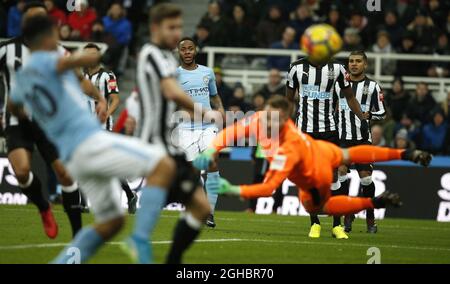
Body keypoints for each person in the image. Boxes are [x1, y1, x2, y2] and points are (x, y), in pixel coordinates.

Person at [9, 14, 174, 265]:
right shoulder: (49, 59)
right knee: (164, 164)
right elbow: (65, 64)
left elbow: (14, 105)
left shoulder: (21, 79)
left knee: (112, 221)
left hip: (72, 156)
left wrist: (98, 98)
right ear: (49, 35)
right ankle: (140, 238)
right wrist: (83, 57)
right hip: (89, 143)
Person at [193, 96, 432, 223]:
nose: (268, 122)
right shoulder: (260, 119)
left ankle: (373, 203)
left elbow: (268, 188)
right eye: (267, 116)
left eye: (275, 120)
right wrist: (210, 149)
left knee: (318, 206)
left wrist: (232, 189)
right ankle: (406, 155)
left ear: (286, 120)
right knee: (348, 154)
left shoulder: (289, 147)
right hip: (321, 148)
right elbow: (229, 132)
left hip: (313, 173)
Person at [128, 3, 212, 264]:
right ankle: (140, 237)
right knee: (167, 180)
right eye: (171, 27)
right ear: (155, 28)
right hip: (155, 140)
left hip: (169, 140)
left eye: (179, 27)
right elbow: (171, 92)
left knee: (200, 207)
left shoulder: (165, 58)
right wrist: (204, 112)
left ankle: (171, 259)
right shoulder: (152, 53)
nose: (177, 33)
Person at [0, 1, 85, 239]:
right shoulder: (7, 50)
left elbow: (79, 78)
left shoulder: (56, 50)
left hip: (49, 122)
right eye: (32, 18)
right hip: (17, 120)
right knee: (21, 172)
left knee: (66, 175)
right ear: (24, 22)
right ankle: (44, 207)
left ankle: (78, 234)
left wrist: (99, 98)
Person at [286, 50, 370, 239]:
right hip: (304, 131)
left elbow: (349, 97)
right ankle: (314, 223)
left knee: (334, 176)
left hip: (330, 130)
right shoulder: (296, 68)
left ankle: (336, 225)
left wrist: (362, 119)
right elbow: (288, 100)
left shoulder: (338, 68)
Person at [175, 37, 225, 227]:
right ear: (179, 53)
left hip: (207, 126)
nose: (187, 52)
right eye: (183, 50)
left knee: (212, 162)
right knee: (194, 172)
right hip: (185, 128)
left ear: (195, 51)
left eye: (190, 49)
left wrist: (220, 108)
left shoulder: (207, 72)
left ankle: (210, 213)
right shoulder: (174, 75)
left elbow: (214, 96)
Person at [82, 43, 138, 214]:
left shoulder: (108, 75)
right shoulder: (79, 76)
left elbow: (115, 99)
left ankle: (129, 194)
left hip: (101, 125)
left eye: (93, 53)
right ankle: (83, 203)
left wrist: (106, 113)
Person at [335, 51, 386, 234]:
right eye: (351, 61)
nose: (354, 64)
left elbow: (383, 113)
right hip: (341, 138)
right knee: (341, 173)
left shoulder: (372, 86)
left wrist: (369, 114)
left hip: (363, 139)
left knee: (365, 178)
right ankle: (346, 213)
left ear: (365, 64)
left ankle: (370, 218)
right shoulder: (338, 84)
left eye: (358, 61)